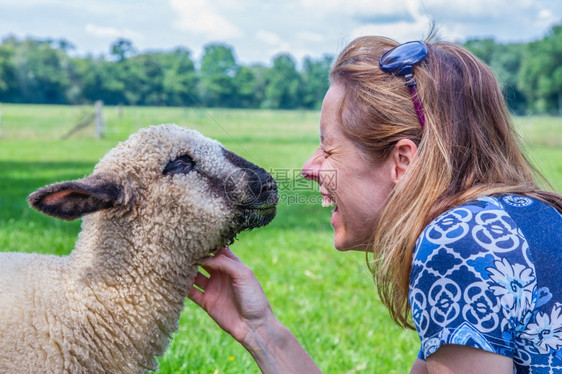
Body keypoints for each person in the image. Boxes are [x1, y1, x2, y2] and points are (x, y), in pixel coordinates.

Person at [188, 34, 562, 373]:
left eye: (328, 147)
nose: (308, 167)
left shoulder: (457, 245)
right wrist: (261, 330)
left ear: (402, 161)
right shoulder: (521, 219)